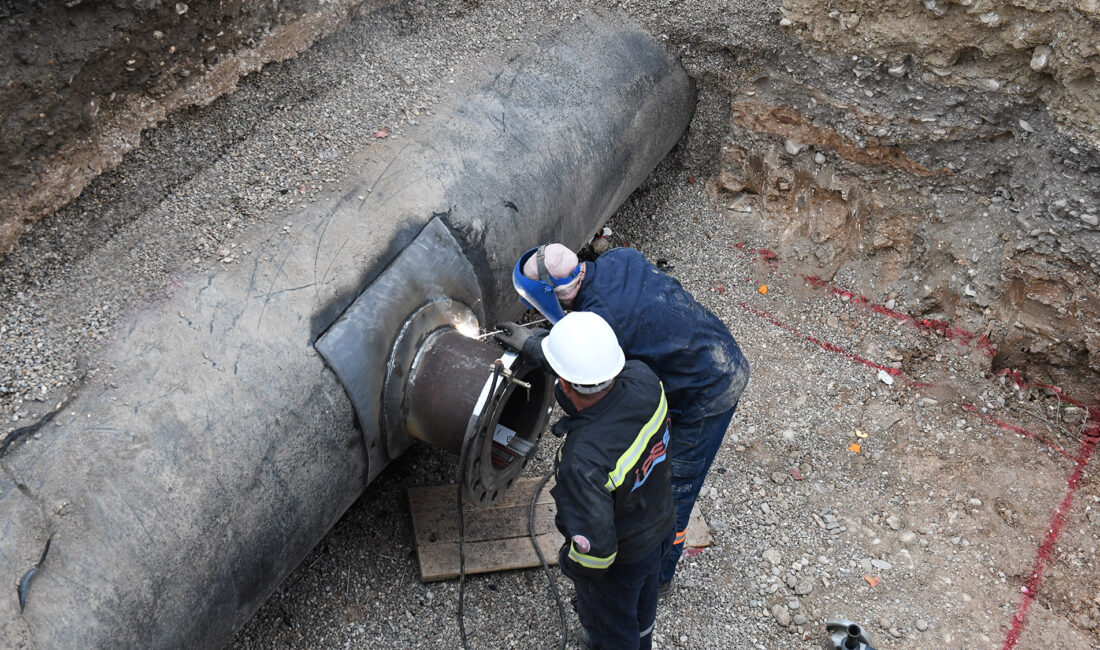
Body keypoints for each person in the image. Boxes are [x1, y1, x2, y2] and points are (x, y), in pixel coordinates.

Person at [500, 242, 749, 593]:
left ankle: (658, 578)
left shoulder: (603, 320)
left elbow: (591, 385)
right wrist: (548, 344)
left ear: (550, 296)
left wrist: (539, 350)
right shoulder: (620, 258)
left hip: (710, 387)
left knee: (675, 488)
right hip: (713, 349)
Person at [513, 311, 673, 650]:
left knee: (611, 630)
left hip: (622, 561)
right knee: (642, 611)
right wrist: (538, 349)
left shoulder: (581, 461)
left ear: (565, 385)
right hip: (660, 525)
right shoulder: (646, 380)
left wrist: (572, 565)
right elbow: (597, 371)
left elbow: (597, 554)